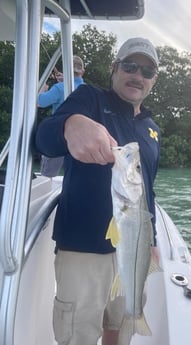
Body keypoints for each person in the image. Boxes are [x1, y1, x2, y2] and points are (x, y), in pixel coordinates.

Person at [35, 37, 160, 345]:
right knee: (78, 334)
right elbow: (44, 139)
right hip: (83, 247)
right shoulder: (88, 98)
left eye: (147, 71)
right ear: (114, 68)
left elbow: (149, 191)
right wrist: (71, 124)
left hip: (134, 248)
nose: (138, 76)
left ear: (153, 80)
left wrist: (153, 238)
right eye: (130, 66)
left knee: (120, 325)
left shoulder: (151, 128)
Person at [37, 55, 85, 177]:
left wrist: (43, 89)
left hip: (58, 138)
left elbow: (38, 102)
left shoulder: (59, 88)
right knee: (74, 176)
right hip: (80, 142)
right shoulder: (86, 89)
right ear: (82, 72)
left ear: (66, 69)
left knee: (48, 177)